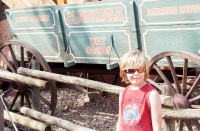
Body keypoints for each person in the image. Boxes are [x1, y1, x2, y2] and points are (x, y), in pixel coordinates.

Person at [116, 51, 162, 131]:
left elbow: (157, 127)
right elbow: (120, 122)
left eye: (140, 69)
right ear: (125, 72)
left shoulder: (151, 94)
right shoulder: (123, 93)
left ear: (145, 70)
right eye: (131, 70)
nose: (136, 73)